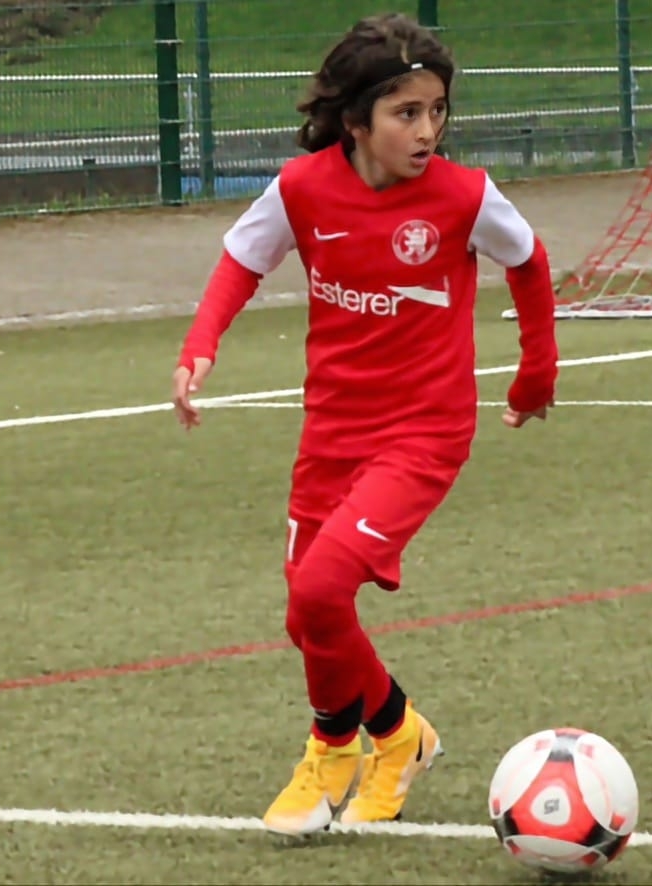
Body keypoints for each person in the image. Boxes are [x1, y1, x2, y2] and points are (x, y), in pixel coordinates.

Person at [171, 12, 559, 837]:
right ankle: (399, 733)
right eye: (405, 113)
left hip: (423, 433)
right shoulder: (302, 189)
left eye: (436, 111)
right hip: (331, 431)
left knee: (321, 591)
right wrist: (198, 349)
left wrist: (535, 375)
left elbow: (528, 260)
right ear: (355, 120)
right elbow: (241, 260)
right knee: (306, 617)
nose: (426, 131)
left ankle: (331, 748)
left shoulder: (464, 196)